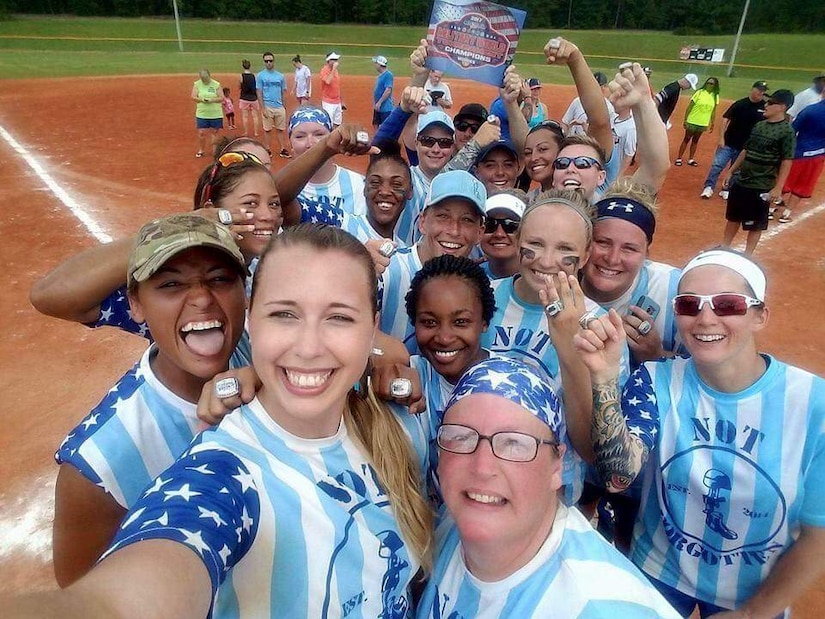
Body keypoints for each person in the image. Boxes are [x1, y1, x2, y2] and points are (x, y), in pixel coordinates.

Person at [11, 225, 434, 618]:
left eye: (339, 316)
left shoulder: (395, 422)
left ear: (371, 326)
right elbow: (116, 594)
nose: (308, 346)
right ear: (254, 321)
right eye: (284, 314)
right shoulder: (221, 475)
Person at [576, 248, 825, 618]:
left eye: (728, 305)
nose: (705, 318)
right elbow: (617, 476)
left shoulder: (814, 405)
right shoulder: (656, 381)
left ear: (760, 315)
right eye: (689, 304)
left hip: (754, 590)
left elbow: (818, 537)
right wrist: (604, 377)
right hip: (657, 570)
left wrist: (751, 614)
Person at [51, 214, 250, 587]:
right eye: (171, 284)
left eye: (220, 279)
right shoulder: (99, 466)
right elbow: (86, 597)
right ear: (136, 305)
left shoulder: (262, 347)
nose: (203, 298)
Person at [417, 357, 681, 619]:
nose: (483, 468)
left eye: (514, 444)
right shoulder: (449, 526)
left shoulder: (598, 606)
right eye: (461, 437)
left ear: (557, 467)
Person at [481, 190, 606, 504]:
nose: (547, 261)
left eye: (565, 249)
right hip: (474, 472)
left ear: (587, 254)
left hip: (548, 495)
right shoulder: (481, 299)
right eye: (534, 244)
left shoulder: (601, 327)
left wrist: (569, 347)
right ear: (519, 238)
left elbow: (590, 449)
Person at [378, 170, 485, 353]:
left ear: (479, 232)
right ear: (422, 222)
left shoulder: (480, 286)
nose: (454, 230)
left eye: (466, 220)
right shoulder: (387, 270)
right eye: (443, 216)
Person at [721, 89, 796, 254]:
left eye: (771, 103)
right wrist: (731, 170)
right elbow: (746, 150)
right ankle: (724, 247)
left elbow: (786, 160)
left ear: (782, 107)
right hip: (743, 180)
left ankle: (748, 254)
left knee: (756, 223)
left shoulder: (787, 132)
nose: (766, 105)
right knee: (733, 216)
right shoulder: (759, 125)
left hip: (762, 184)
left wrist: (778, 187)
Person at [286, 106, 367, 226]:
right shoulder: (284, 190)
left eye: (319, 135)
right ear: (290, 144)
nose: (310, 144)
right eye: (300, 136)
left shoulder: (360, 184)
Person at [700, 81, 768, 200]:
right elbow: (725, 119)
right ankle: (709, 186)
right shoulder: (740, 104)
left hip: (746, 147)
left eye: (763, 91)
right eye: (759, 89)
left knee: (736, 170)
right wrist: (721, 137)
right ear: (753, 89)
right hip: (729, 142)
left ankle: (727, 188)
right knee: (717, 165)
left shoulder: (765, 107)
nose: (761, 93)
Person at [342, 146, 412, 245]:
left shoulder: (405, 253)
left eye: (396, 184)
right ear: (364, 187)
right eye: (375, 182)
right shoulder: (343, 225)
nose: (385, 192)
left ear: (410, 191)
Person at [778, 89, 825, 223]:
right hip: (818, 156)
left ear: (822, 93)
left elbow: (793, 129)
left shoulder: (810, 110)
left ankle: (770, 210)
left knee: (785, 181)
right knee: (803, 185)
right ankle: (786, 214)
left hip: (799, 152)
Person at [479, 189, 527, 280]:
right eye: (490, 224)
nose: (499, 234)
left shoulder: (538, 281)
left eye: (510, 225)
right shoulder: (467, 276)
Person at [675, 77, 720, 167]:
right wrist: (685, 119)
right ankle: (679, 158)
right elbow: (690, 106)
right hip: (692, 120)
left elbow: (713, 110)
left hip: (703, 122)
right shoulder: (699, 93)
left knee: (696, 140)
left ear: (715, 86)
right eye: (708, 83)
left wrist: (712, 122)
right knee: (686, 139)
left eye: (711, 84)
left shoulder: (715, 96)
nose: (709, 85)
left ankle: (691, 159)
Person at [256, 51, 290, 159]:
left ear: (273, 61)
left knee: (280, 130)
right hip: (268, 106)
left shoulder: (280, 76)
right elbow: (259, 92)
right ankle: (267, 149)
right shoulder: (260, 76)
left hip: (279, 107)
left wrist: (284, 106)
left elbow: (283, 91)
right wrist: (263, 108)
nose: (268, 63)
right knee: (267, 130)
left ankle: (282, 149)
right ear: (264, 62)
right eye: (266, 61)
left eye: (270, 61)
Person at [561, 70, 616, 137]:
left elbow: (608, 135)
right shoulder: (578, 101)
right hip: (574, 143)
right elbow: (565, 123)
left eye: (598, 86)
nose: (594, 89)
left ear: (604, 87)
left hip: (594, 145)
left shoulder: (609, 108)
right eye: (593, 85)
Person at [191, 68, 223, 158]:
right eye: (203, 79)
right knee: (201, 132)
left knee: (214, 132)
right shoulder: (197, 84)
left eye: (206, 78)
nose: (204, 81)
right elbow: (193, 96)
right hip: (202, 113)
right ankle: (201, 150)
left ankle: (215, 151)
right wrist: (202, 99)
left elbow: (221, 97)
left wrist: (212, 100)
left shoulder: (216, 84)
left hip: (215, 113)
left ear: (209, 76)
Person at [238, 59, 261, 137]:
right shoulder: (254, 75)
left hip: (244, 98)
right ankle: (256, 132)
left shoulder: (241, 76)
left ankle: (246, 132)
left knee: (245, 116)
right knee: (255, 116)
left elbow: (239, 86)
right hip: (253, 98)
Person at [320, 51, 344, 128]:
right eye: (334, 59)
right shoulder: (324, 70)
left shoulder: (336, 71)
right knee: (328, 124)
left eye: (336, 60)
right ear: (329, 61)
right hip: (328, 102)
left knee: (337, 123)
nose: (336, 61)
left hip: (337, 102)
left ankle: (335, 139)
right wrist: (333, 69)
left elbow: (337, 86)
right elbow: (328, 81)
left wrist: (341, 100)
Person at [613, 105, 638, 176]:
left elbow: (629, 155)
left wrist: (619, 175)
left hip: (614, 171)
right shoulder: (612, 117)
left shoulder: (631, 128)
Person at [372, 55, 394, 128]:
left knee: (385, 126)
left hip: (385, 108)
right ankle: (377, 139)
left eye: (376, 63)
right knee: (376, 123)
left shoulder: (388, 75)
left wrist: (379, 102)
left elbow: (388, 90)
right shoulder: (381, 75)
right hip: (378, 106)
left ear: (380, 65)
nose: (375, 65)